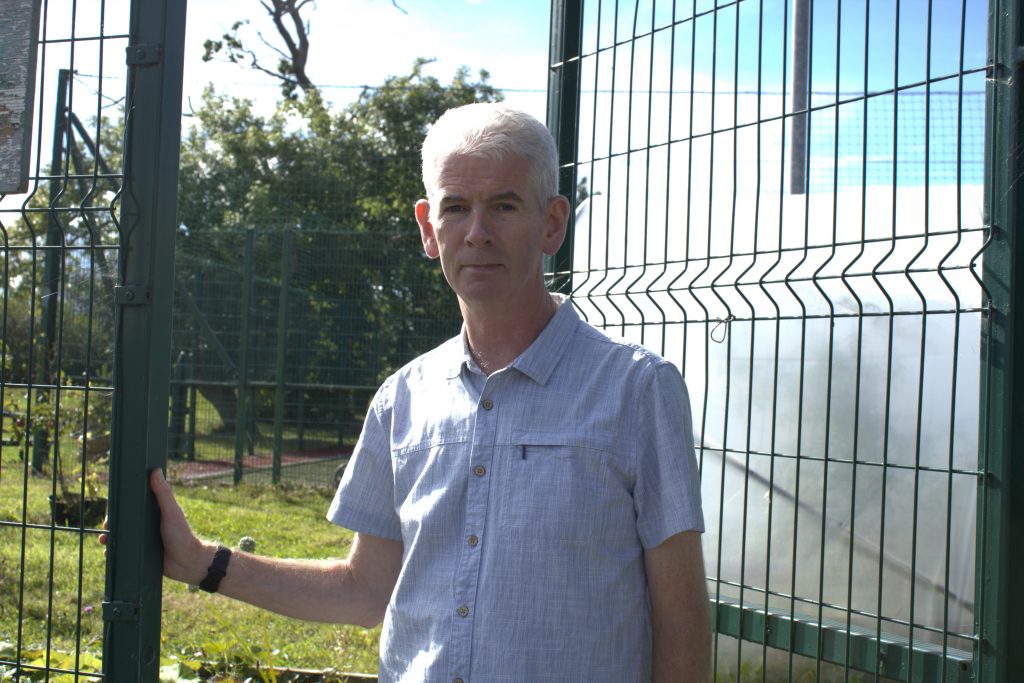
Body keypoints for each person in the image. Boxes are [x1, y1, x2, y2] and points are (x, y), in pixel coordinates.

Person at [137, 103, 710, 682]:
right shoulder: (402, 400)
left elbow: (682, 622)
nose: (477, 233)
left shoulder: (637, 390)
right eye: (456, 207)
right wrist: (203, 563)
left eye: (504, 205)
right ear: (428, 228)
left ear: (552, 224)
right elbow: (363, 590)